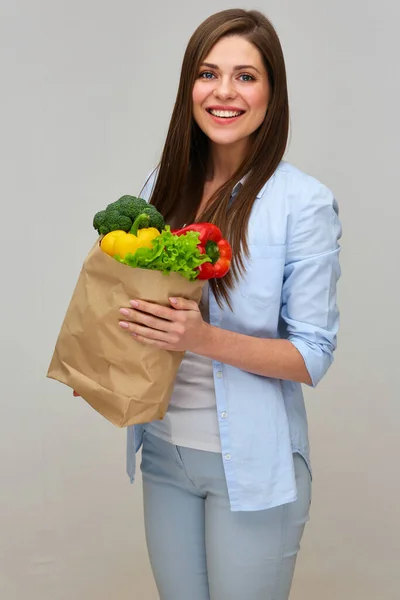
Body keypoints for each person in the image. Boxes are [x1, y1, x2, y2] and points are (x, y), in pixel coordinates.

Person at [119, 8, 341, 600]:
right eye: (208, 73)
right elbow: (139, 306)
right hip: (163, 454)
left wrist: (201, 338)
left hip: (253, 466)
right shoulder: (159, 185)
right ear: (188, 86)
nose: (223, 92)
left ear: (272, 91)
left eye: (246, 76)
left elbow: (312, 355)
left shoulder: (303, 203)